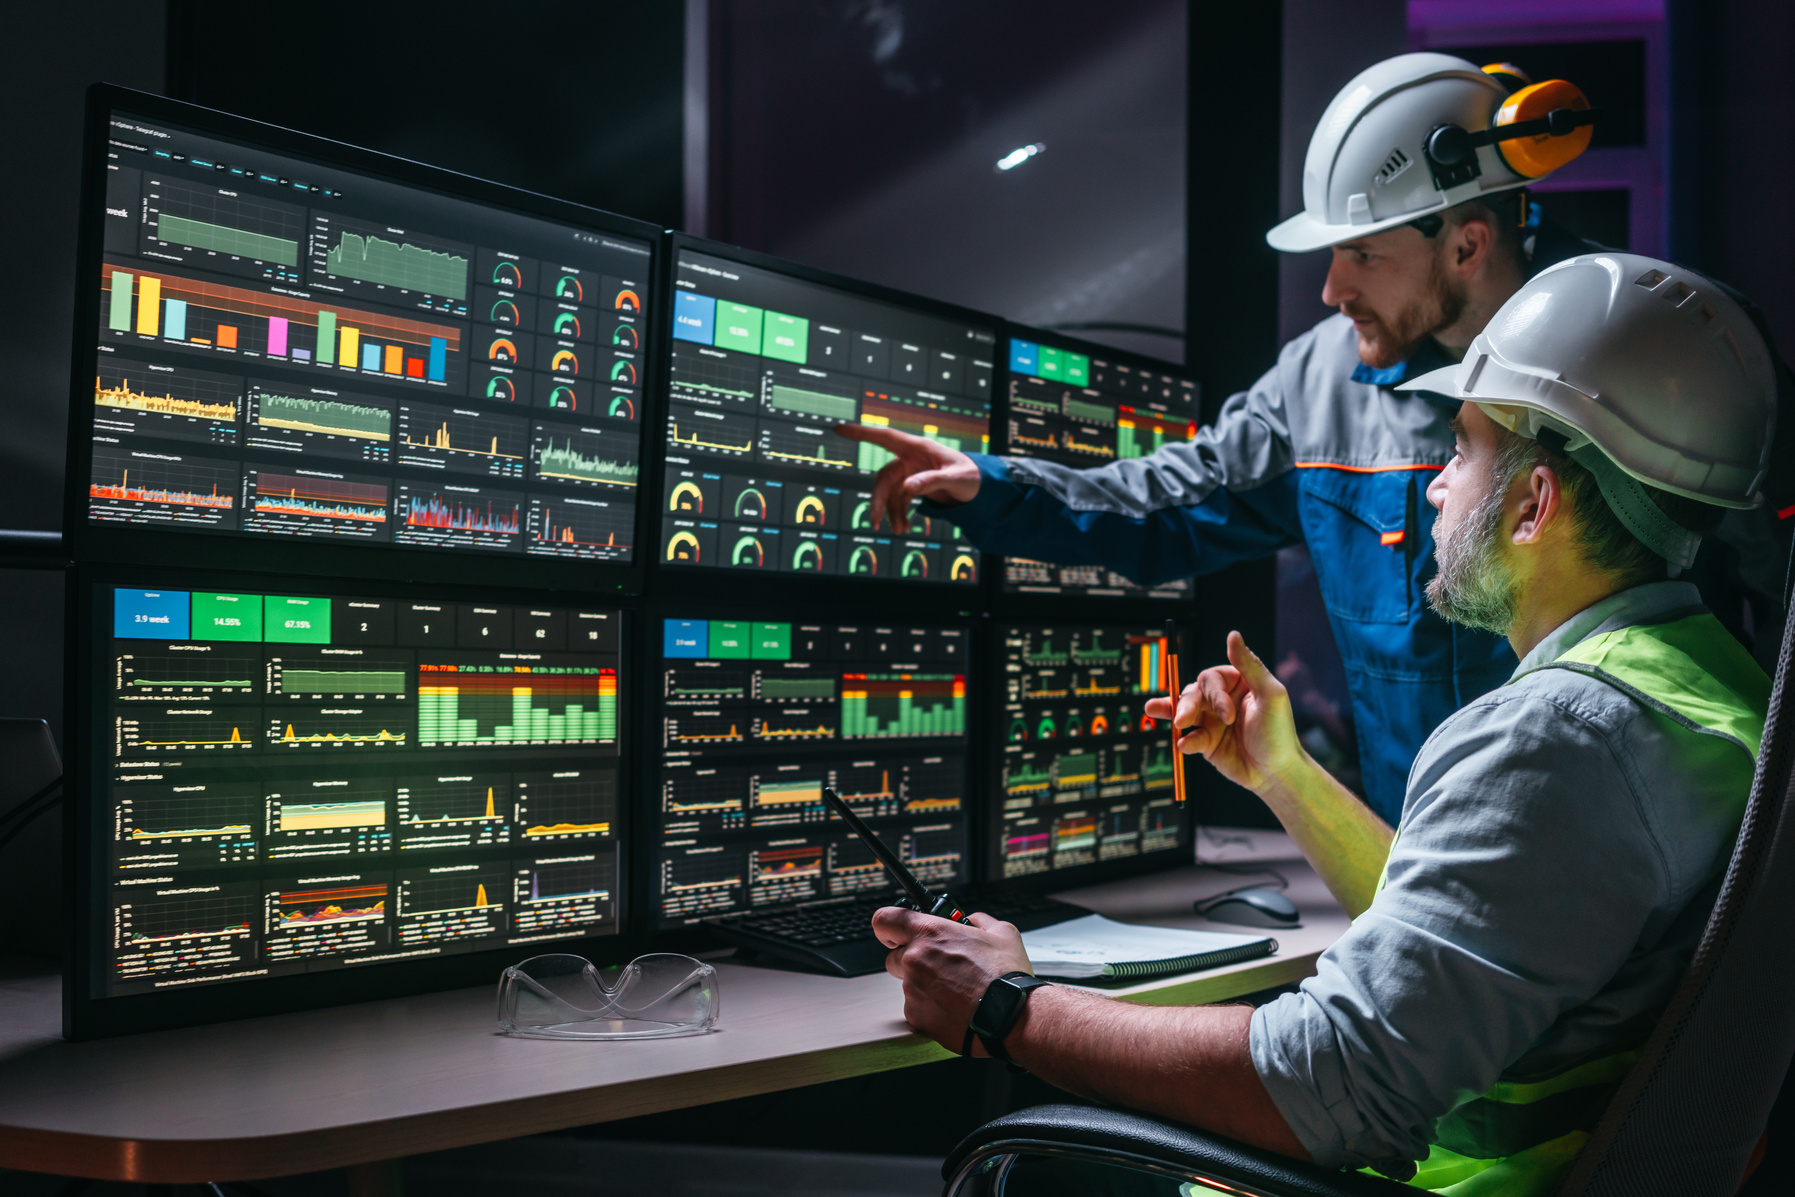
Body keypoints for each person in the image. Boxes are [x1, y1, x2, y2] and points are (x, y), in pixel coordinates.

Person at [872, 252, 1776, 1195]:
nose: (1430, 483)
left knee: (1036, 1168)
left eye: (1458, 450)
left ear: (1531, 505)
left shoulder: (1556, 736)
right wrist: (1283, 774)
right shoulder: (1711, 686)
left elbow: (1332, 1083)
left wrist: (1007, 1004)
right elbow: (1485, 933)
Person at [838, 52, 1793, 824]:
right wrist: (988, 485)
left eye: (1362, 254)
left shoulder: (1662, 353)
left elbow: (1779, 582)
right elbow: (1172, 507)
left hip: (1637, 867)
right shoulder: (1317, 381)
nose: (1333, 290)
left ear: (1466, 243)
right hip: (1418, 873)